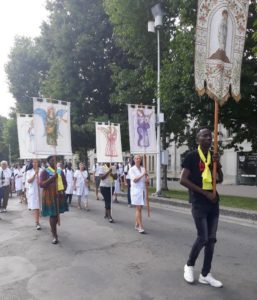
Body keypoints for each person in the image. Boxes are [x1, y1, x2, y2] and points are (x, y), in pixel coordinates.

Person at [180, 128, 223, 288]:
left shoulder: (213, 156)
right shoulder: (192, 156)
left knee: (211, 240)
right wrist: (205, 193)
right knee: (203, 237)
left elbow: (220, 179)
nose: (209, 138)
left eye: (210, 136)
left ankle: (206, 274)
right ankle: (189, 265)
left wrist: (217, 166)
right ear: (198, 139)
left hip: (213, 202)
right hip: (199, 202)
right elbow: (183, 180)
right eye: (204, 136)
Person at [40, 156, 68, 244]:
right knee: (53, 215)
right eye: (52, 161)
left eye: (55, 161)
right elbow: (42, 184)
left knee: (56, 215)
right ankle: (54, 235)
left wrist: (63, 190)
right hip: (49, 196)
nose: (53, 162)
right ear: (48, 162)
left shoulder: (60, 171)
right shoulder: (45, 171)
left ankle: (53, 229)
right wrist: (52, 178)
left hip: (59, 195)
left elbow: (65, 182)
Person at [129, 154, 148, 234]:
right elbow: (135, 180)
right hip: (136, 191)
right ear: (134, 160)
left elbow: (145, 180)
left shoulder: (143, 168)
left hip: (143, 190)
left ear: (141, 160)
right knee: (138, 209)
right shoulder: (131, 169)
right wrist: (143, 174)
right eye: (136, 158)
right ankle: (140, 226)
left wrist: (147, 179)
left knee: (140, 208)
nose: (138, 159)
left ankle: (136, 224)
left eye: (139, 158)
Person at [27, 159, 42, 230]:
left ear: (38, 163)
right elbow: (29, 181)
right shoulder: (29, 171)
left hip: (41, 191)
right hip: (33, 191)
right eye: (34, 162)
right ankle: (37, 222)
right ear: (32, 163)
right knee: (36, 207)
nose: (35, 163)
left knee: (40, 207)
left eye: (36, 162)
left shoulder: (42, 170)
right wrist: (35, 174)